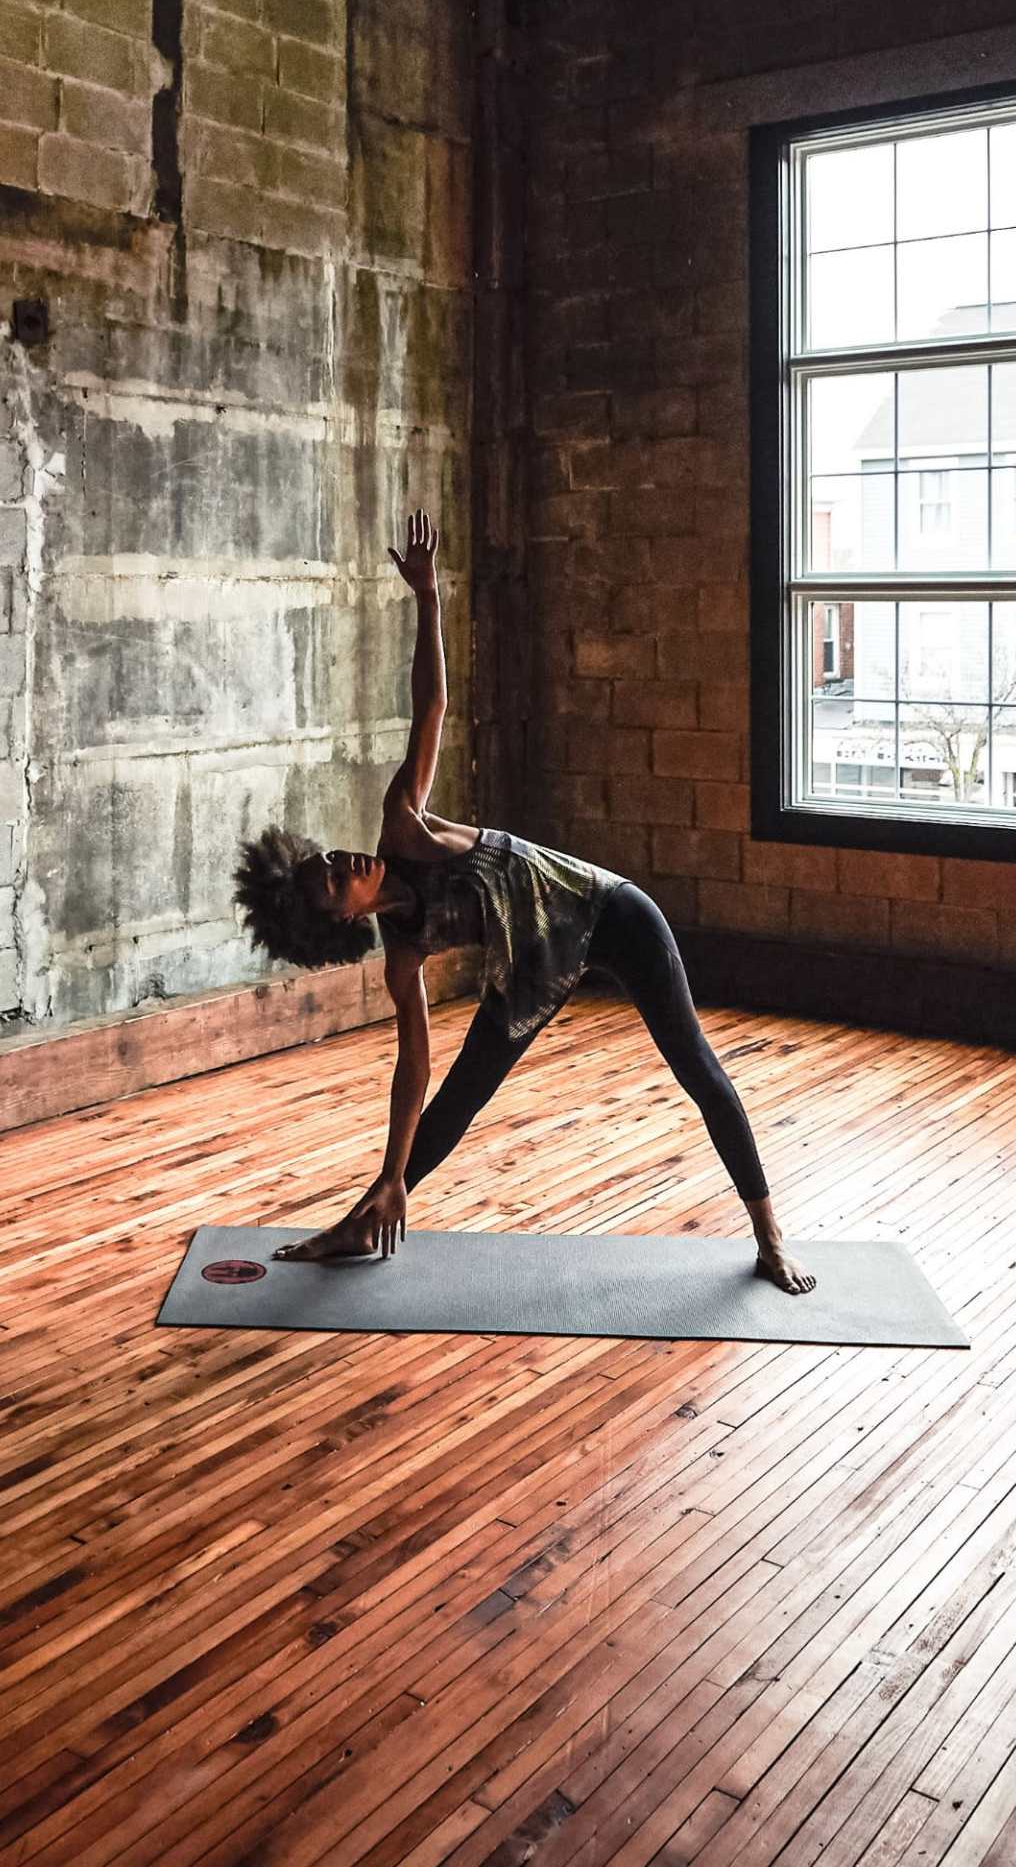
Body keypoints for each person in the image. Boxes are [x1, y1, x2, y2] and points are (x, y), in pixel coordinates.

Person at [230, 511, 817, 1293]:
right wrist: (392, 1169)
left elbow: (429, 709)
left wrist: (428, 599)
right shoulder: (402, 957)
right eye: (335, 879)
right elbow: (414, 1069)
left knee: (698, 1069)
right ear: (341, 917)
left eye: (329, 858)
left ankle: (770, 1234)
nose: (344, 861)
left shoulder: (404, 825)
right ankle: (365, 1215)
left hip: (611, 915)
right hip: (534, 969)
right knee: (456, 1099)